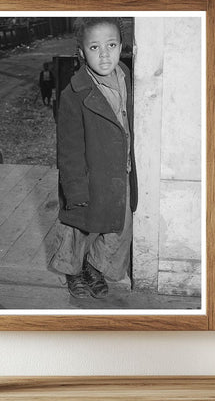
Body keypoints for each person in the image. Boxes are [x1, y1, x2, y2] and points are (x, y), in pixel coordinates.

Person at [49, 17, 138, 299]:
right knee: (76, 228)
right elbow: (69, 147)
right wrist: (74, 187)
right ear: (81, 53)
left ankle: (95, 267)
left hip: (117, 172)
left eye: (111, 45)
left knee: (118, 227)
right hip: (88, 175)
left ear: (121, 47)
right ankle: (73, 271)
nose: (104, 54)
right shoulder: (74, 94)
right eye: (95, 47)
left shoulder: (126, 76)